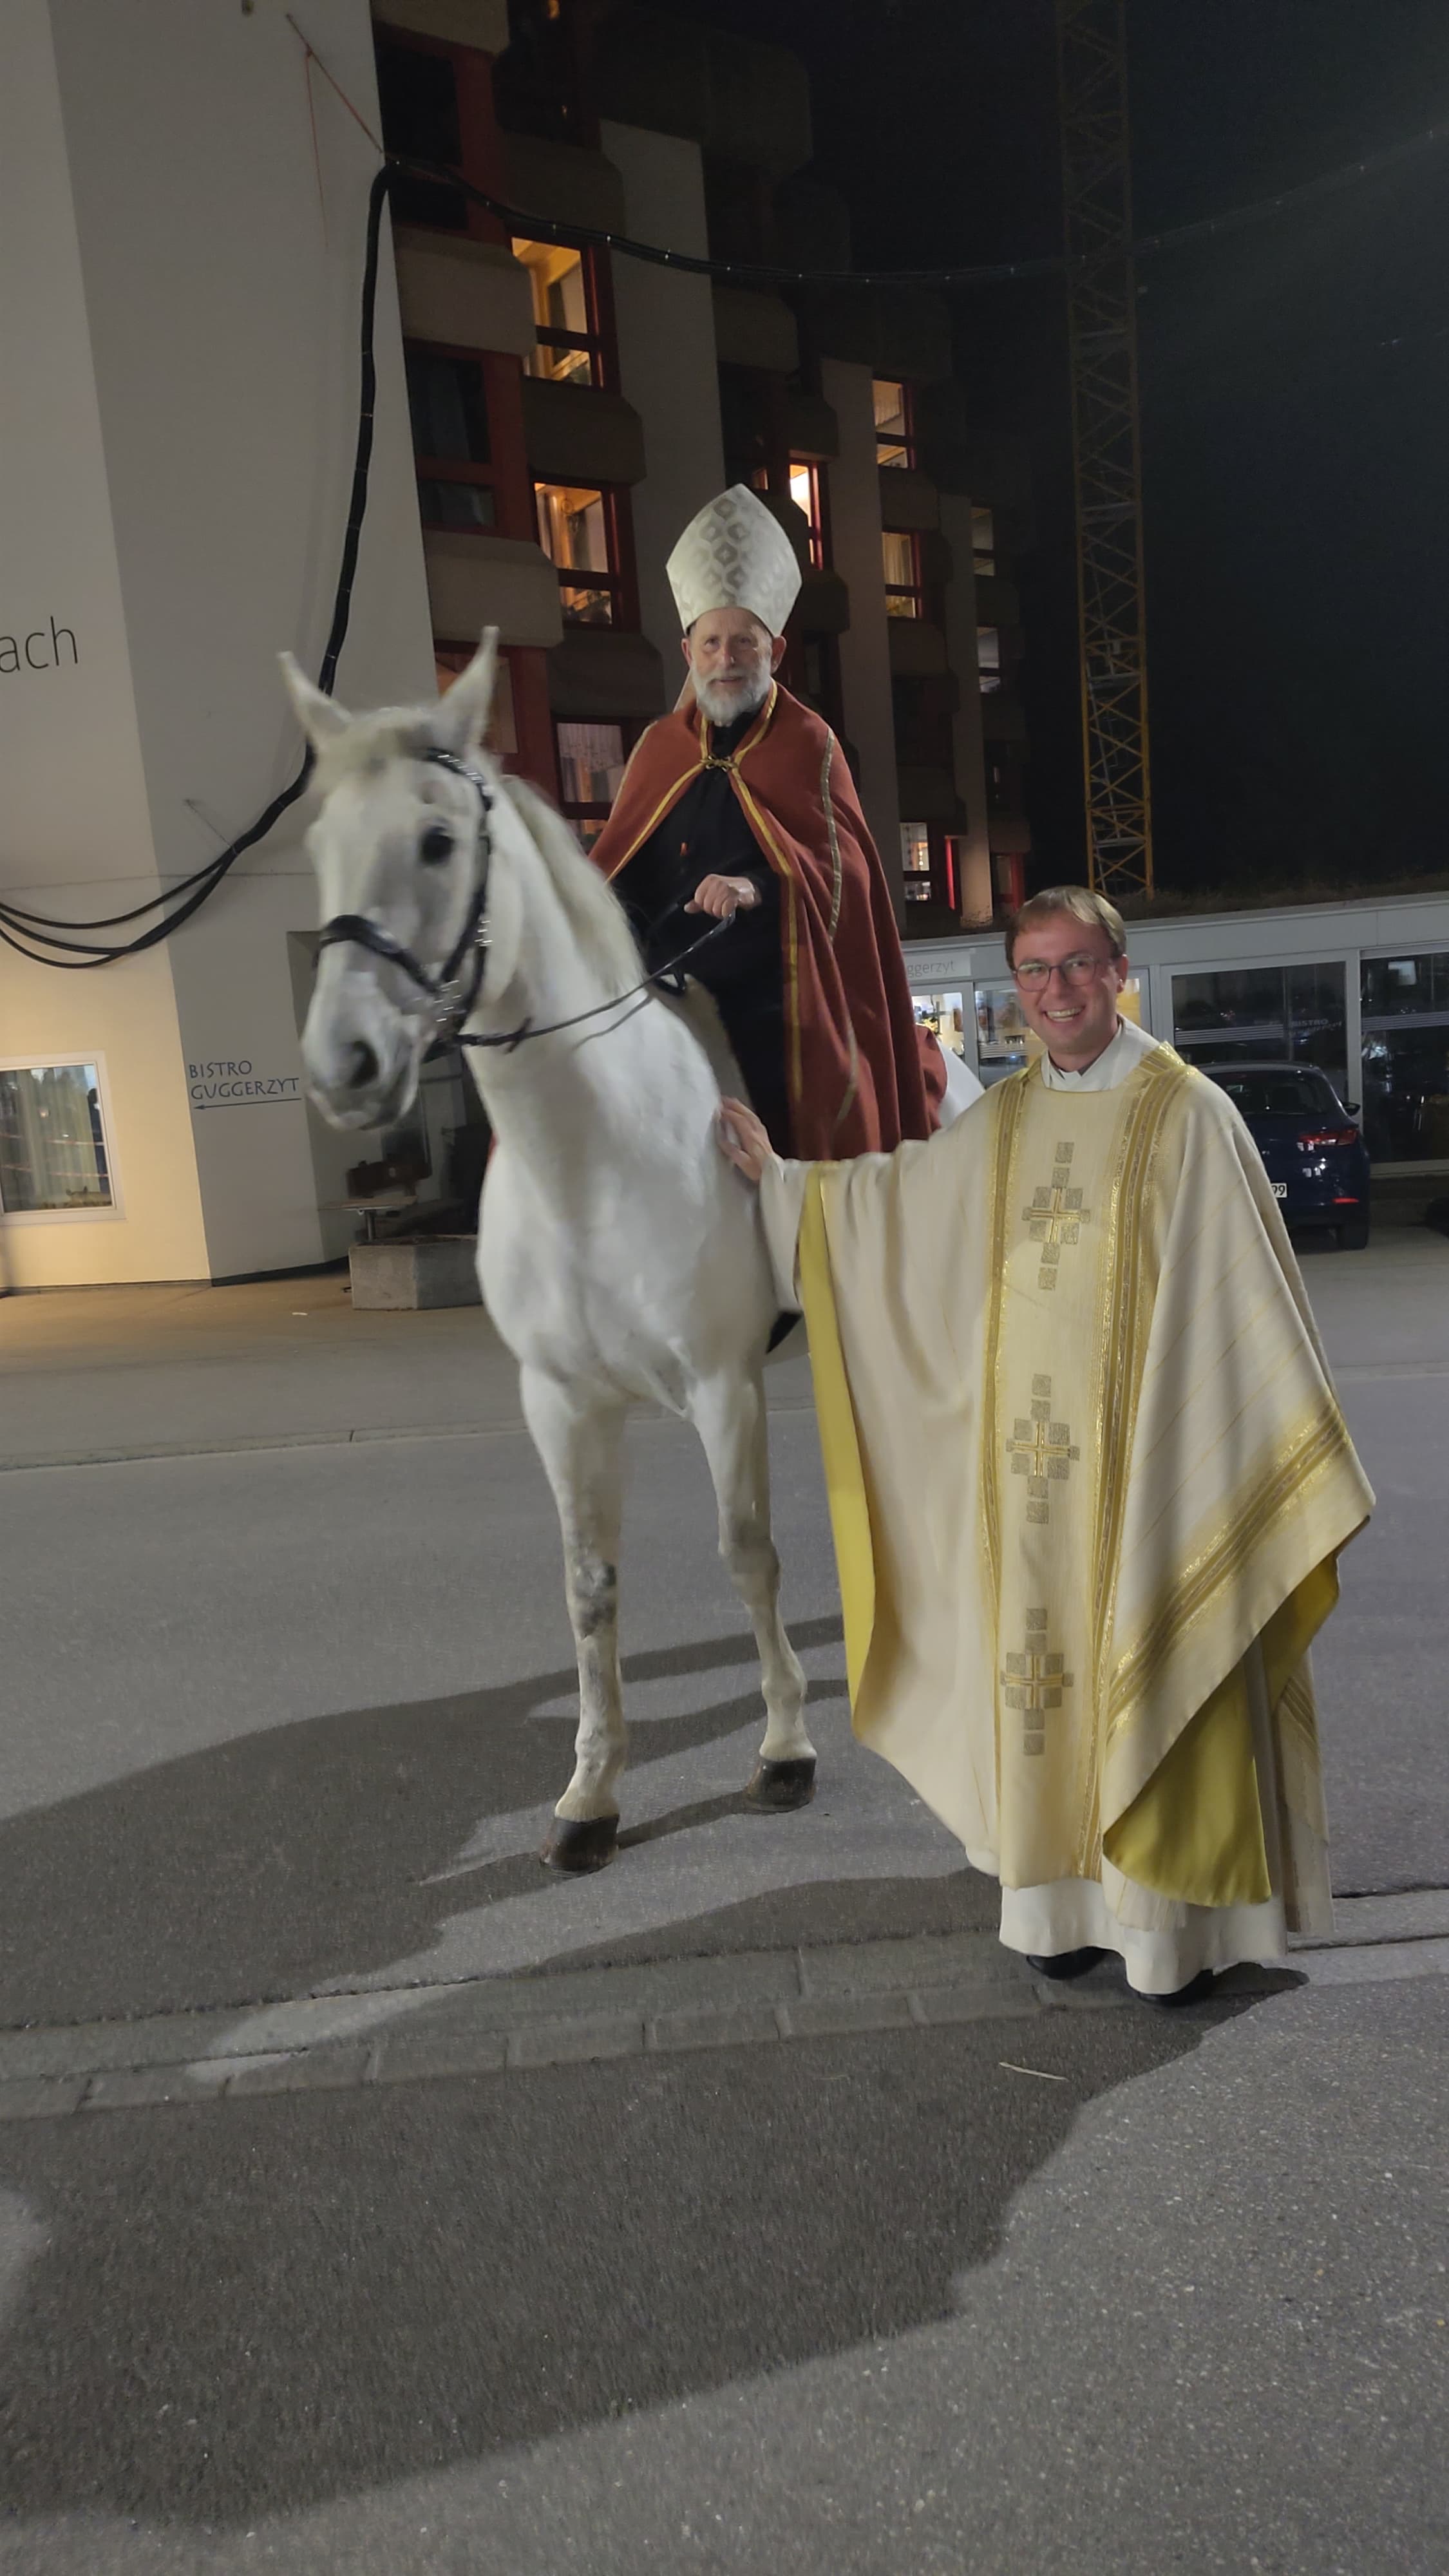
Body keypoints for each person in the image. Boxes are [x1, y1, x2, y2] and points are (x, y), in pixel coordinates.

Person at [718, 886, 1374, 2000]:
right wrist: (784, 1184)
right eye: (1034, 970)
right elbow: (897, 1206)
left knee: (1162, 1669)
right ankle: (1054, 1910)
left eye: (1076, 965)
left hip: (1159, 1471)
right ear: (1015, 987)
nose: (1056, 990)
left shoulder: (1189, 1115)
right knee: (1037, 1686)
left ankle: (1170, 1939)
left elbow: (1242, 1309)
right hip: (1029, 1482)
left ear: (1119, 972)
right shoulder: (1007, 1118)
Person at [587, 483, 946, 1156]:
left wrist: (756, 886)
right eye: (712, 643)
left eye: (743, 643)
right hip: (664, 970)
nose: (726, 660)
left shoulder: (809, 742)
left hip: (769, 982)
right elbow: (621, 864)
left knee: (789, 1086)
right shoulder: (659, 748)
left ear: (774, 652)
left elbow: (847, 878)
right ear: (688, 651)